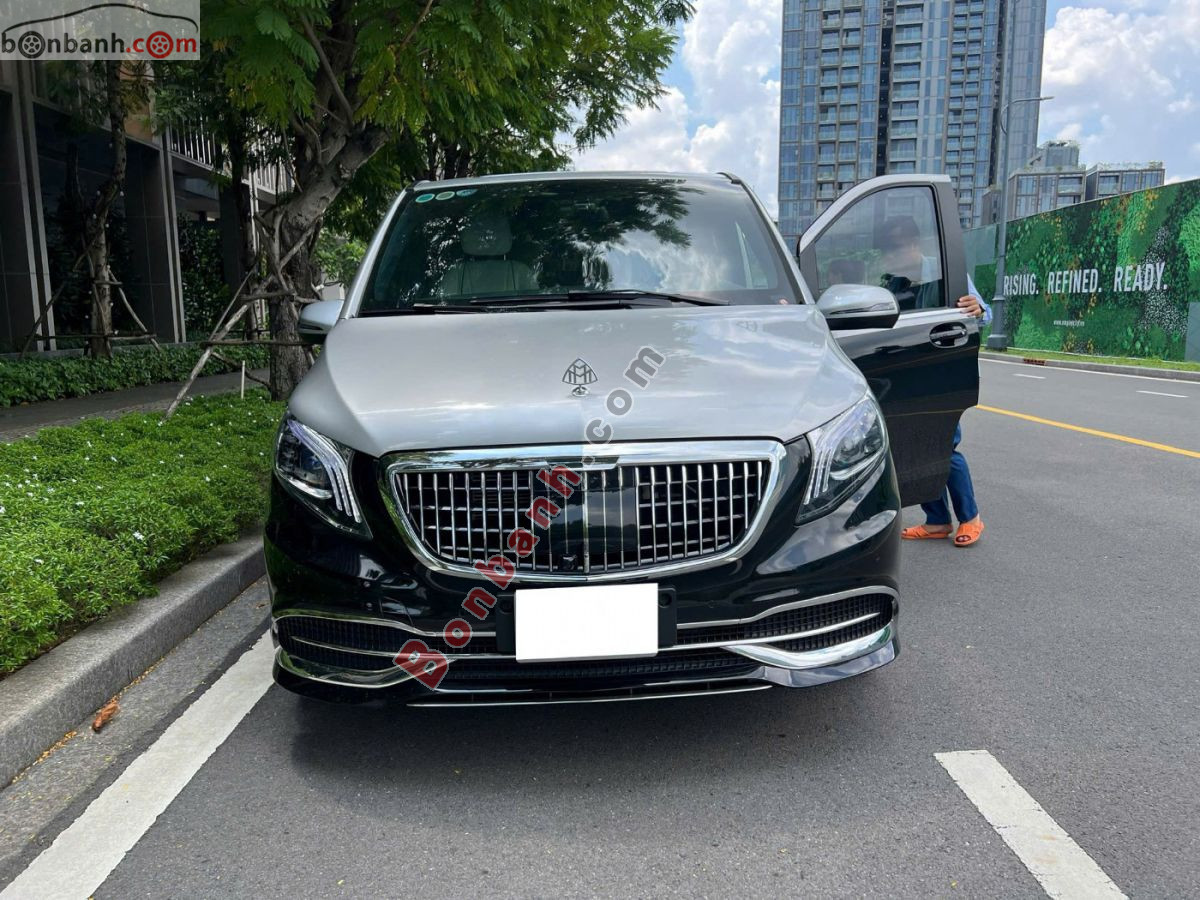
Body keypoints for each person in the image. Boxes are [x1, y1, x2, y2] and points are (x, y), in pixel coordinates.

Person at [901, 276, 991, 547]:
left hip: (941, 373)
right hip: (906, 374)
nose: (893, 256)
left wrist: (979, 309)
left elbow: (984, 314)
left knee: (944, 447)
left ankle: (970, 517)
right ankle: (937, 520)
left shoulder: (942, 270)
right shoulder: (893, 281)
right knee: (915, 449)